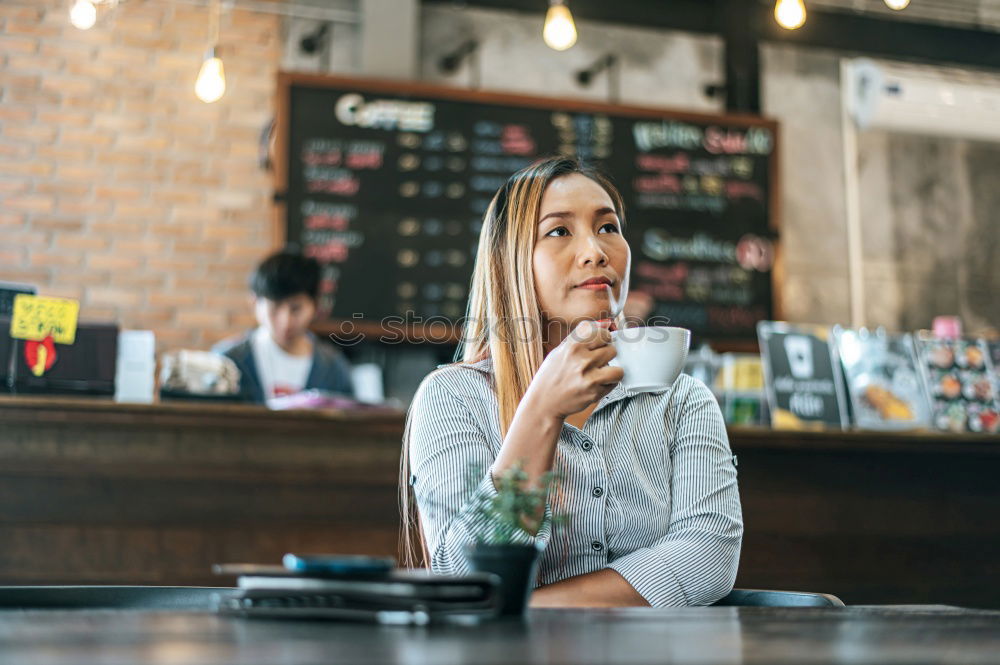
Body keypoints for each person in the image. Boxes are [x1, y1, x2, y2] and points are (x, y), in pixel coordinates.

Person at [400, 157, 742, 608]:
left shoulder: (681, 399)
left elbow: (708, 557)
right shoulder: (453, 398)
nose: (596, 251)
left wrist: (530, 607)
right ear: (511, 260)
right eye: (559, 231)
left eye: (608, 227)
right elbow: (466, 572)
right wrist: (541, 411)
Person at [213, 249, 354, 403]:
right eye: (275, 308)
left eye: (296, 309)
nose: (285, 321)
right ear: (254, 303)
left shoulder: (333, 368)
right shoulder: (227, 361)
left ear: (315, 305)